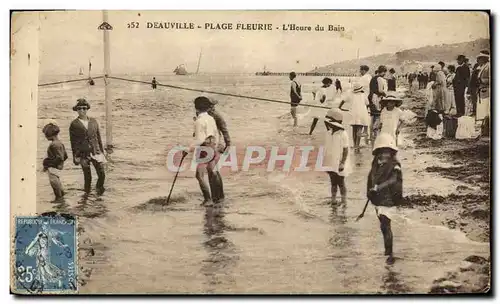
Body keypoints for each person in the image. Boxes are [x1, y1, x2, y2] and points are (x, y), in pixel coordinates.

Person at [367, 133, 403, 265]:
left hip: (389, 198)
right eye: (382, 152)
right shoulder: (376, 163)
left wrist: (378, 187)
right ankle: (387, 251)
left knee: (385, 225)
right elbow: (371, 178)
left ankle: (390, 253)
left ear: (392, 152)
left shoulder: (395, 165)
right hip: (378, 199)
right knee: (383, 226)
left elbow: (393, 180)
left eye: (387, 152)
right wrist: (370, 191)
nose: (385, 155)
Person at [187, 96, 223, 206]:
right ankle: (218, 197)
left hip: (204, 148)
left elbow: (199, 139)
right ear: (207, 108)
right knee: (212, 172)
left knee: (199, 175)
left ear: (196, 108)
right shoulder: (211, 118)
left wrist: (188, 149)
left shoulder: (199, 121)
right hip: (213, 146)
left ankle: (208, 199)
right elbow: (216, 134)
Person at [69, 98, 106, 195]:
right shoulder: (74, 124)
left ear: (87, 109)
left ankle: (99, 192)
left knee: (102, 174)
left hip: (95, 151)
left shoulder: (93, 121)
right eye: (79, 108)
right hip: (82, 154)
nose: (82, 110)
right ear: (76, 110)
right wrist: (75, 157)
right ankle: (87, 196)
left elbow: (98, 137)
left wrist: (102, 152)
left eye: (84, 108)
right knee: (88, 177)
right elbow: (73, 142)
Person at [323, 108, 351, 204]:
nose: (328, 124)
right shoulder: (329, 132)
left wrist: (342, 163)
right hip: (331, 161)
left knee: (341, 183)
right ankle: (333, 199)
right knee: (333, 182)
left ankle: (344, 200)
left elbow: (345, 149)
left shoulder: (343, 134)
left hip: (339, 162)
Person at [207, 97, 231, 200]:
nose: (211, 108)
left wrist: (228, 144)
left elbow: (224, 130)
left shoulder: (216, 116)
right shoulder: (203, 115)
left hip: (217, 144)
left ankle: (218, 195)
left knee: (213, 170)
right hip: (209, 144)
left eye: (211, 106)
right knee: (212, 171)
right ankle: (217, 195)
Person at [338, 83, 370, 150]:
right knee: (359, 129)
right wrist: (366, 111)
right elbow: (367, 104)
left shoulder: (350, 94)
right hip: (362, 113)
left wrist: (339, 107)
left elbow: (343, 100)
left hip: (353, 113)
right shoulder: (363, 95)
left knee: (354, 129)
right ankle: (357, 145)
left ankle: (354, 143)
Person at [42, 122, 68, 200]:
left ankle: (59, 206)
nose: (45, 136)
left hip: (53, 170)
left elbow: (60, 158)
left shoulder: (54, 144)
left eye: (45, 134)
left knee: (57, 193)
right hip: (57, 170)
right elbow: (65, 156)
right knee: (60, 190)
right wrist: (60, 165)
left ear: (49, 135)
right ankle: (62, 205)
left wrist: (47, 163)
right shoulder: (60, 143)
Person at [368, 65, 388, 145]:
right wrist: (386, 94)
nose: (385, 74)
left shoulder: (373, 78)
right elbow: (380, 90)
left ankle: (371, 136)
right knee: (378, 116)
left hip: (372, 97)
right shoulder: (380, 79)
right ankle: (376, 136)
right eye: (385, 72)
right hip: (377, 98)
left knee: (372, 117)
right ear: (383, 72)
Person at [476, 50, 490, 127]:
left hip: (486, 91)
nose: (479, 60)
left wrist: (481, 80)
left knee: (486, 108)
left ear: (484, 58)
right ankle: (484, 124)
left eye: (480, 58)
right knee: (483, 109)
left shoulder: (488, 66)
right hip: (482, 90)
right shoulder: (483, 66)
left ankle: (486, 125)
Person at [359, 65, 372, 143]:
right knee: (366, 114)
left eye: (360, 70)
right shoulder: (369, 77)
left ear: (363, 70)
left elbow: (359, 88)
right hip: (368, 98)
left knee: (363, 115)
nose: (360, 72)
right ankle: (366, 131)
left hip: (364, 98)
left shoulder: (363, 78)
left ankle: (365, 131)